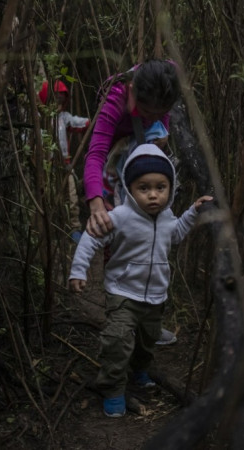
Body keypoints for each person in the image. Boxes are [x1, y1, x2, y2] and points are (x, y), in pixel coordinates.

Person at [68, 143, 213, 417]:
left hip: (156, 295)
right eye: (144, 188)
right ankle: (112, 389)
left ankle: (140, 370)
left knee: (147, 340)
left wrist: (193, 211)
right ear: (130, 188)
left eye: (160, 187)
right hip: (122, 292)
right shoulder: (121, 216)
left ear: (170, 189)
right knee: (118, 339)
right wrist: (78, 270)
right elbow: (91, 237)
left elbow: (177, 234)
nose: (153, 195)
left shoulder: (168, 216)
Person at [83, 59, 181, 345]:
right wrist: (96, 202)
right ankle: (120, 316)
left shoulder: (167, 78)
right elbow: (96, 153)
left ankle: (148, 319)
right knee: (115, 239)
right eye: (145, 111)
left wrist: (161, 130)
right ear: (131, 90)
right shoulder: (115, 100)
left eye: (158, 113)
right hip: (114, 172)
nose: (151, 116)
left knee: (155, 233)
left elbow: (163, 114)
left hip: (144, 167)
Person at [38, 80, 90, 242]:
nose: (59, 103)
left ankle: (74, 228)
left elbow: (79, 122)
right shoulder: (38, 119)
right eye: (56, 99)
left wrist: (94, 120)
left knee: (72, 197)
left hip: (65, 165)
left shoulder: (64, 117)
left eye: (62, 99)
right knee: (49, 198)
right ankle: (51, 231)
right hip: (45, 166)